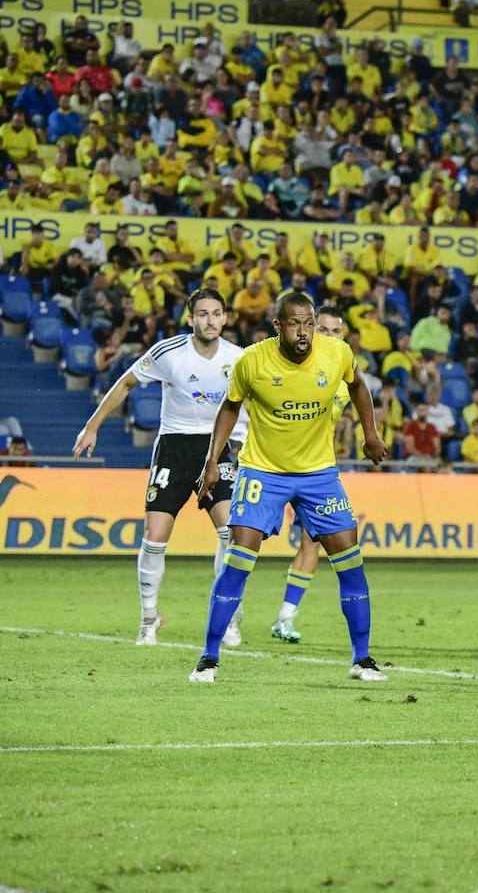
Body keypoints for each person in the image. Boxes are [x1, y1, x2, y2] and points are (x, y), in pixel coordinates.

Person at [188, 291, 389, 683]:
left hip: (318, 474)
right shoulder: (252, 360)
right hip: (262, 472)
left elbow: (359, 385)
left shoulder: (337, 353)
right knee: (239, 559)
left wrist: (371, 433)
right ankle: (209, 658)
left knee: (350, 561)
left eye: (309, 323)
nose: (304, 332)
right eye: (295, 323)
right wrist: (212, 462)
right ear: (278, 325)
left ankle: (361, 660)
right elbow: (230, 407)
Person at [72, 289, 247, 647]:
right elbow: (126, 383)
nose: (210, 320)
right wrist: (93, 426)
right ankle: (148, 620)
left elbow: (255, 404)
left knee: (231, 534)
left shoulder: (240, 358)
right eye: (202, 314)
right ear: (190, 318)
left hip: (219, 450)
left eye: (216, 313)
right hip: (174, 448)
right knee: (154, 538)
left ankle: (228, 616)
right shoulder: (169, 353)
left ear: (226, 318)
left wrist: (245, 446)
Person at [270, 306, 351, 644]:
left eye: (336, 331)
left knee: (312, 544)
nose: (330, 336)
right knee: (243, 541)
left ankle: (285, 617)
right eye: (325, 330)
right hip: (274, 467)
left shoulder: (343, 378)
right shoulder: (296, 369)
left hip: (314, 471)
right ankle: (237, 614)